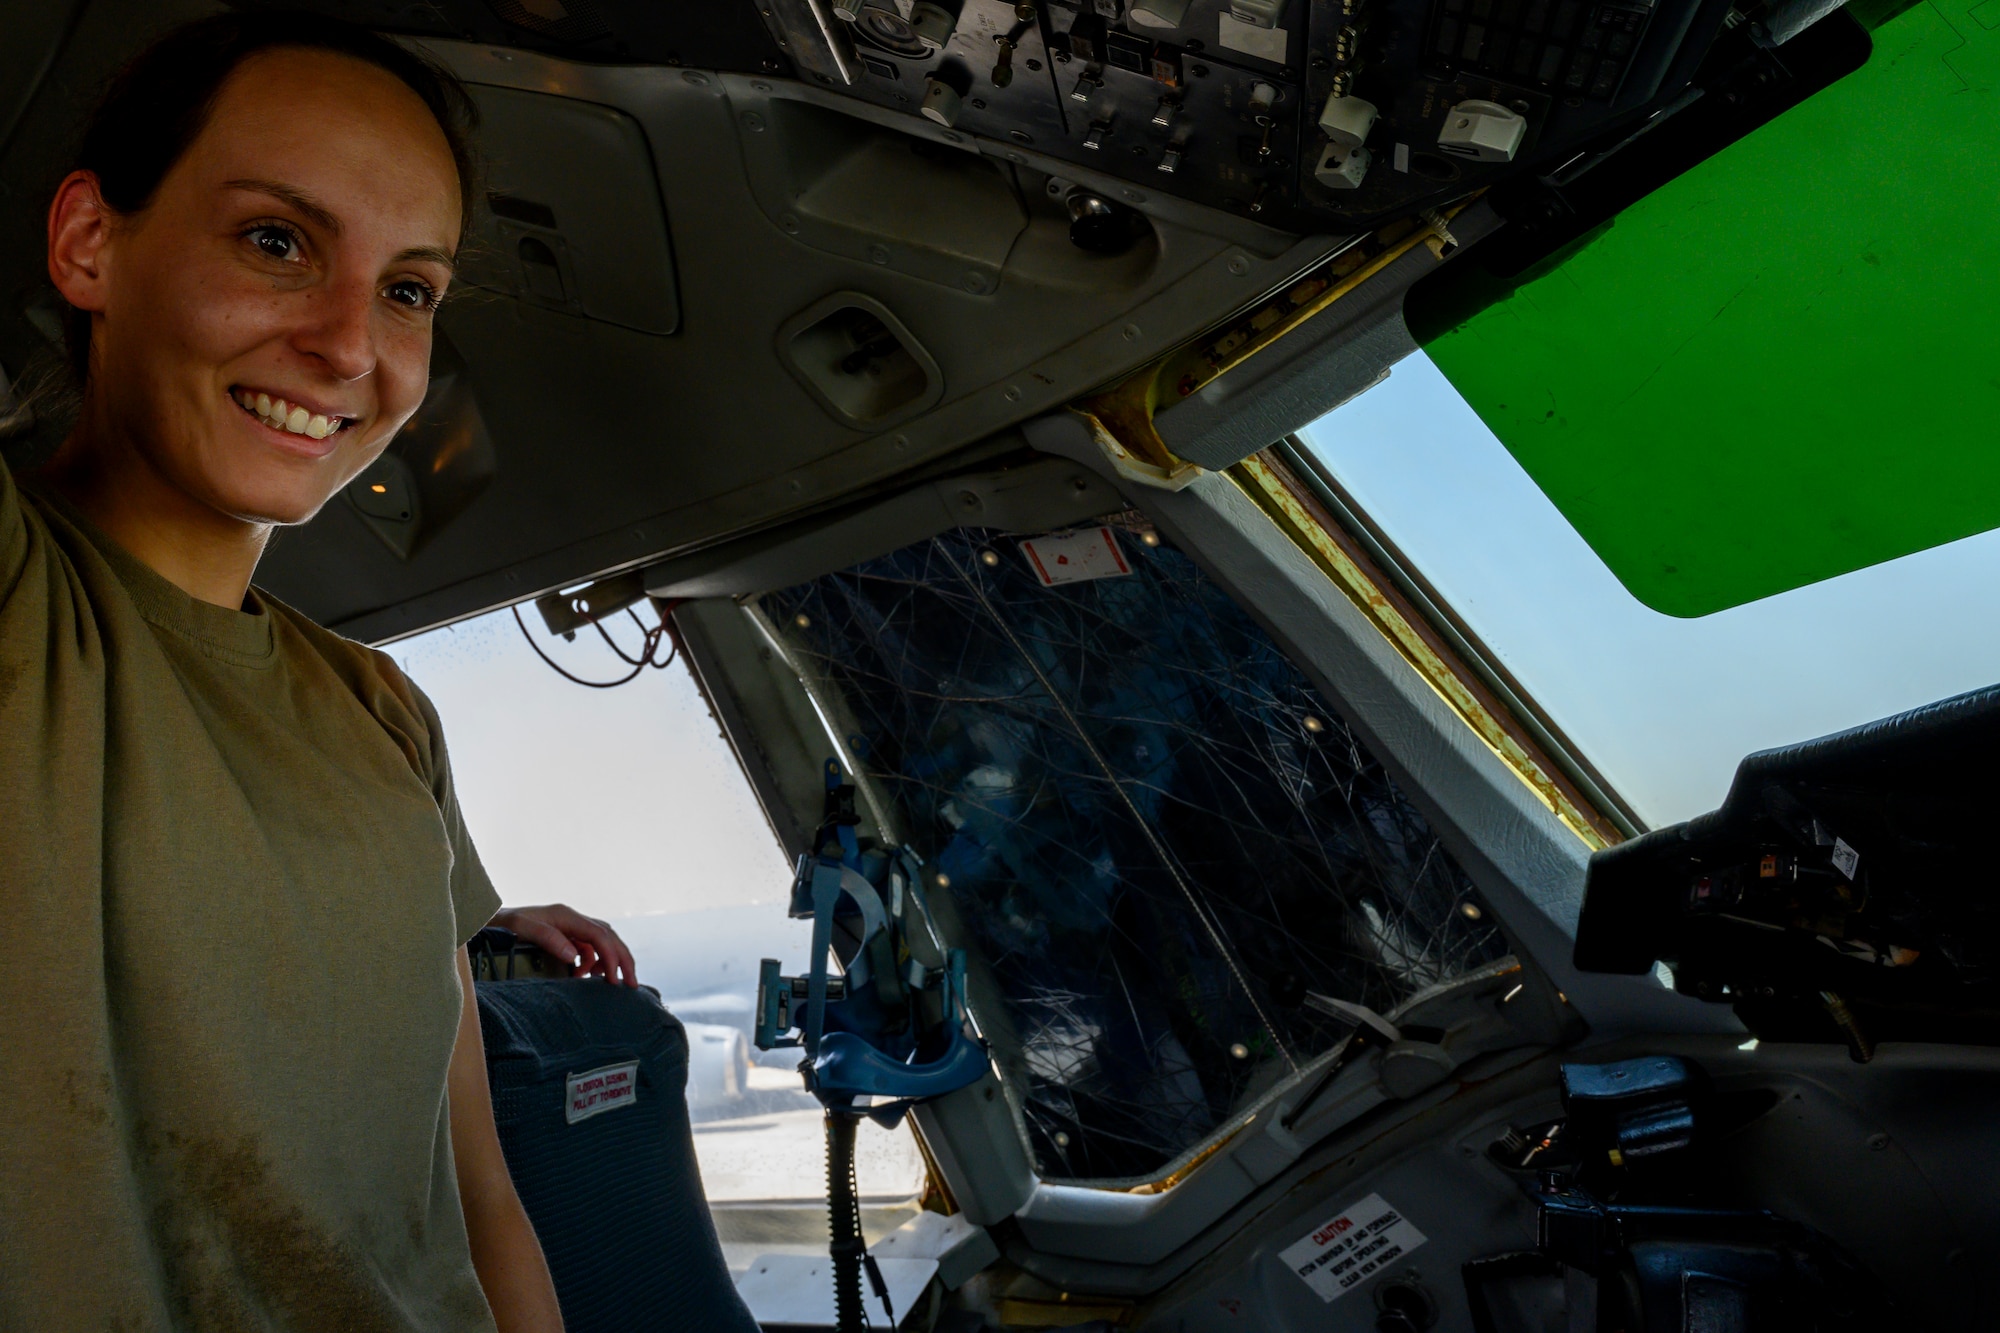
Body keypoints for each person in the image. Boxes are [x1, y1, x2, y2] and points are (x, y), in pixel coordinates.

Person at [0, 13, 636, 1330]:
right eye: (276, 241)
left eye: (409, 290)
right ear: (86, 243)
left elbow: (472, 1191)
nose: (352, 345)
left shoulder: (386, 713)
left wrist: (463, 927)